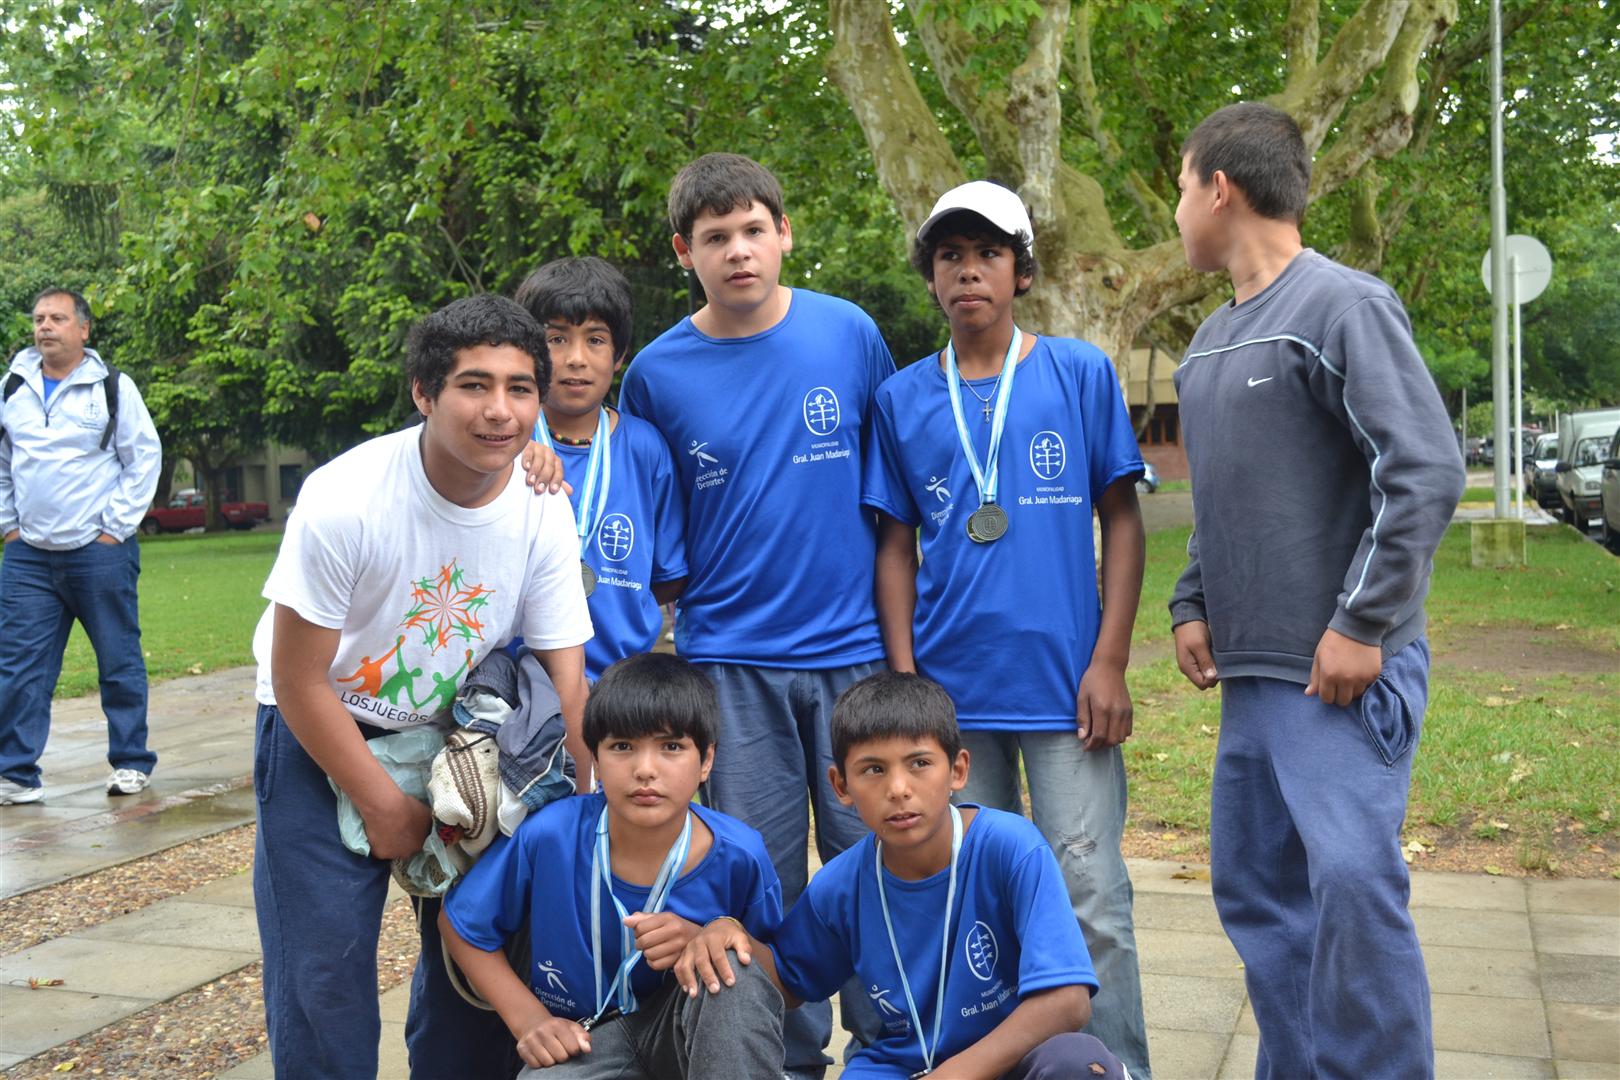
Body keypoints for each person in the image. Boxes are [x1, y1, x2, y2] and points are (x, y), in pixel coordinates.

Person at [1168, 102, 1464, 1079]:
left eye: (1180, 185)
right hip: (1252, 678)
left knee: (1349, 886)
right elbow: (1223, 503)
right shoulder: (1210, 341)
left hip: (1339, 674)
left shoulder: (1343, 306)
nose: (1176, 209)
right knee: (1258, 894)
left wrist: (1362, 621)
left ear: (1221, 187)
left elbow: (1422, 467)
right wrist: (1192, 601)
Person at [249, 294, 592, 1078]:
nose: (498, 411)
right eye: (474, 385)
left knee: (476, 956)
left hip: (461, 746)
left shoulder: (542, 507)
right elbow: (296, 678)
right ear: (424, 392)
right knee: (324, 972)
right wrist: (379, 801)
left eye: (519, 388)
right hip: (320, 729)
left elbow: (567, 679)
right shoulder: (347, 499)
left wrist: (583, 812)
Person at [863, 180, 1152, 1077]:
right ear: (933, 280)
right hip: (952, 700)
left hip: (1067, 689)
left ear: (1021, 272)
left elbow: (1124, 521)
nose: (967, 272)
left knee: (1089, 893)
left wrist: (1110, 659)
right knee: (966, 899)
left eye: (987, 254)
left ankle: (1115, 1071)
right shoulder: (903, 398)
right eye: (949, 257)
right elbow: (896, 547)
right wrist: (909, 686)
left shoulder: (1077, 372)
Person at [617, 151, 895, 1076]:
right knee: (764, 884)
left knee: (874, 867)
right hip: (729, 664)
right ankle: (788, 1058)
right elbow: (640, 507)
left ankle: (894, 1048)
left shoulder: (848, 333)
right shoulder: (656, 374)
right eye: (713, 238)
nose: (737, 252)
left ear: (784, 233)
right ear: (683, 252)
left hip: (854, 656)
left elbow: (893, 490)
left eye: (751, 231)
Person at [676, 672, 1128, 1080]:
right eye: (873, 769)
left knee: (1079, 1064)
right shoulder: (841, 885)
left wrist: (956, 1075)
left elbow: (1068, 1000)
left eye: (919, 763)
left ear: (958, 770)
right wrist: (725, 929)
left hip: (1015, 1061)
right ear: (841, 787)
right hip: (905, 1066)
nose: (898, 788)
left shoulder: (1009, 846)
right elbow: (789, 982)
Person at [441, 652, 785, 1078]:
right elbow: (462, 926)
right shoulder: (551, 835)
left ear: (707, 761)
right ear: (596, 760)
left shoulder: (739, 853)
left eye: (672, 747)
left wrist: (713, 935)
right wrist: (528, 1018)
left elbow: (781, 986)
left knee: (728, 960)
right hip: (588, 1040)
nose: (645, 769)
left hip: (692, 1042)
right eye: (622, 746)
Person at [0, 287, 162, 804]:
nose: (45, 326)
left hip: (98, 552)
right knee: (19, 665)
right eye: (40, 318)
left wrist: (114, 528)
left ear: (84, 329)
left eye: (58, 318)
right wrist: (9, 527)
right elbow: (3, 466)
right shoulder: (11, 387)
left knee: (118, 662)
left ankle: (131, 763)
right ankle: (17, 773)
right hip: (28, 557)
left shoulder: (111, 387)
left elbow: (143, 458)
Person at [512, 257, 687, 684]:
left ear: (620, 354)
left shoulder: (646, 449)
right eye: (556, 339)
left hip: (617, 684)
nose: (576, 359)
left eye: (595, 340)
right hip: (512, 682)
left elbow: (666, 578)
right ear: (529, 351)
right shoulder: (504, 439)